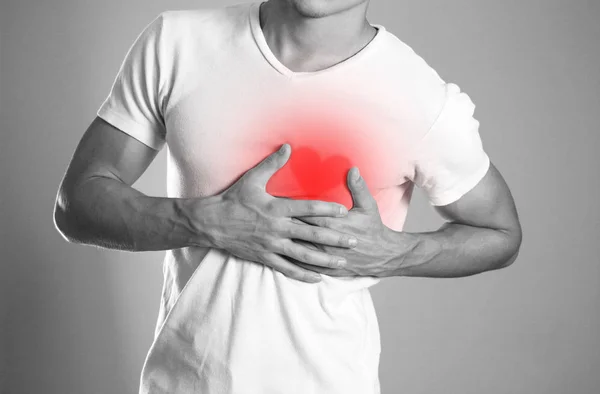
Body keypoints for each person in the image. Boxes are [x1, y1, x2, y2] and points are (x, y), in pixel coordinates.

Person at [53, 0, 522, 392]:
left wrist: (397, 254)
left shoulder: (421, 99)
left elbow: (500, 233)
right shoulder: (177, 43)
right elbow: (78, 203)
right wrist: (205, 222)